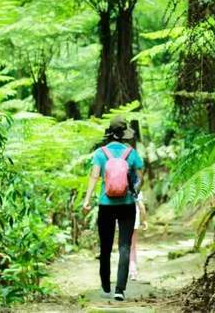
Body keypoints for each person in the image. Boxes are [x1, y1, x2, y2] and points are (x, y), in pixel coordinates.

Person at [83, 116, 144, 302]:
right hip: (127, 205)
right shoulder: (131, 153)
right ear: (124, 135)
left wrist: (86, 200)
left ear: (110, 134)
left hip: (105, 205)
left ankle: (105, 284)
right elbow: (141, 179)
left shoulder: (100, 153)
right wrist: (134, 193)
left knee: (106, 246)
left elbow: (94, 177)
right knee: (125, 246)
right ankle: (120, 289)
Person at [129, 192, 148, 280]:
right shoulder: (136, 189)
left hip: (121, 220)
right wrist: (144, 220)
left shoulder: (120, 187)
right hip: (133, 221)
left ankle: (124, 271)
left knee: (124, 246)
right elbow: (141, 206)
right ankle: (133, 272)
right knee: (132, 247)